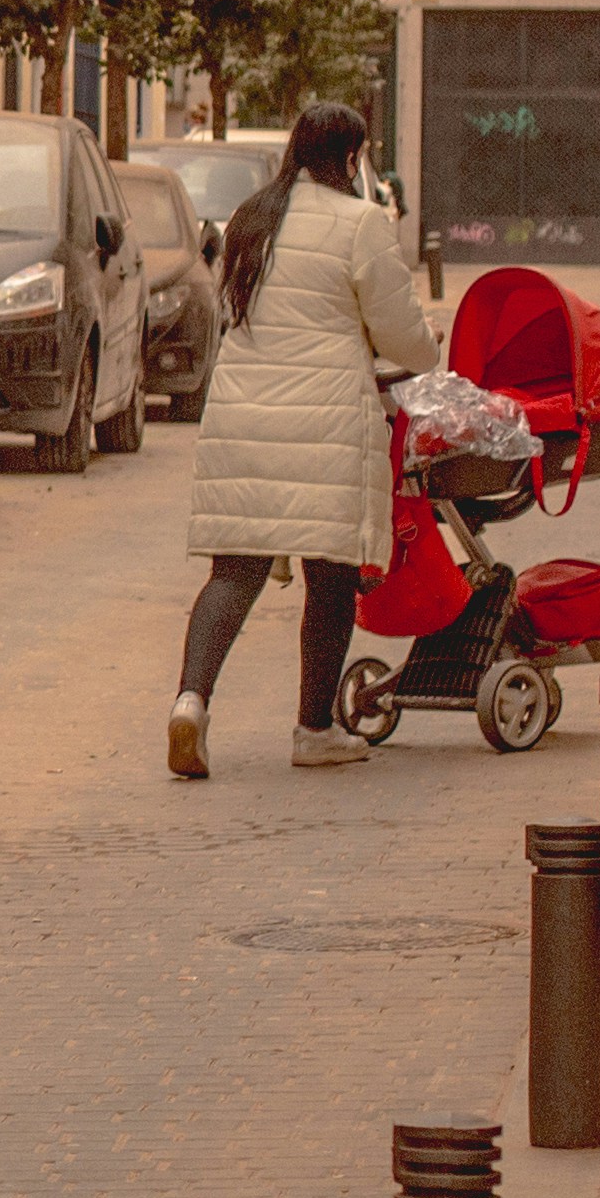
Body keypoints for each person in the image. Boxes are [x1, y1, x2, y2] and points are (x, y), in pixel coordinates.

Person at [169, 99, 437, 779]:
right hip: (326, 423)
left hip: (242, 417)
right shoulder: (360, 223)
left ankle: (190, 703)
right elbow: (403, 334)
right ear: (351, 156)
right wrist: (426, 346)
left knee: (233, 574)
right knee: (331, 576)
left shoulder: (251, 218)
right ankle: (314, 730)